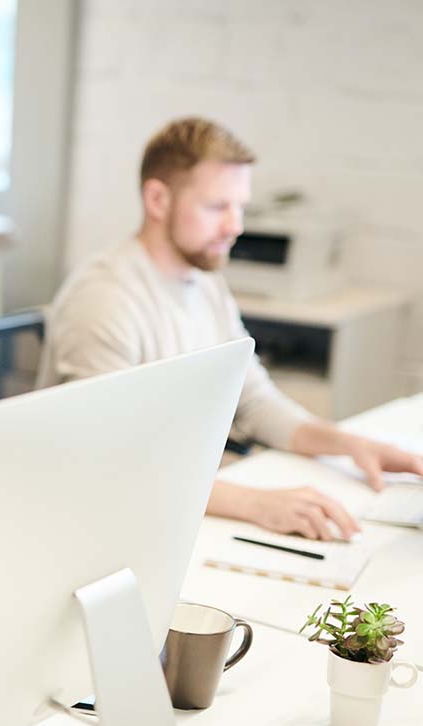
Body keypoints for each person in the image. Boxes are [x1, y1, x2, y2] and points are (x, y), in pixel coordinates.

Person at [37, 116, 423, 541]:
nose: (235, 226)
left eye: (240, 207)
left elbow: (252, 400)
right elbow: (110, 458)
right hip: (110, 517)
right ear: (158, 199)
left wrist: (350, 445)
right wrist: (255, 504)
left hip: (179, 498)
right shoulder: (105, 299)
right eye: (217, 207)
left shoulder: (205, 282)